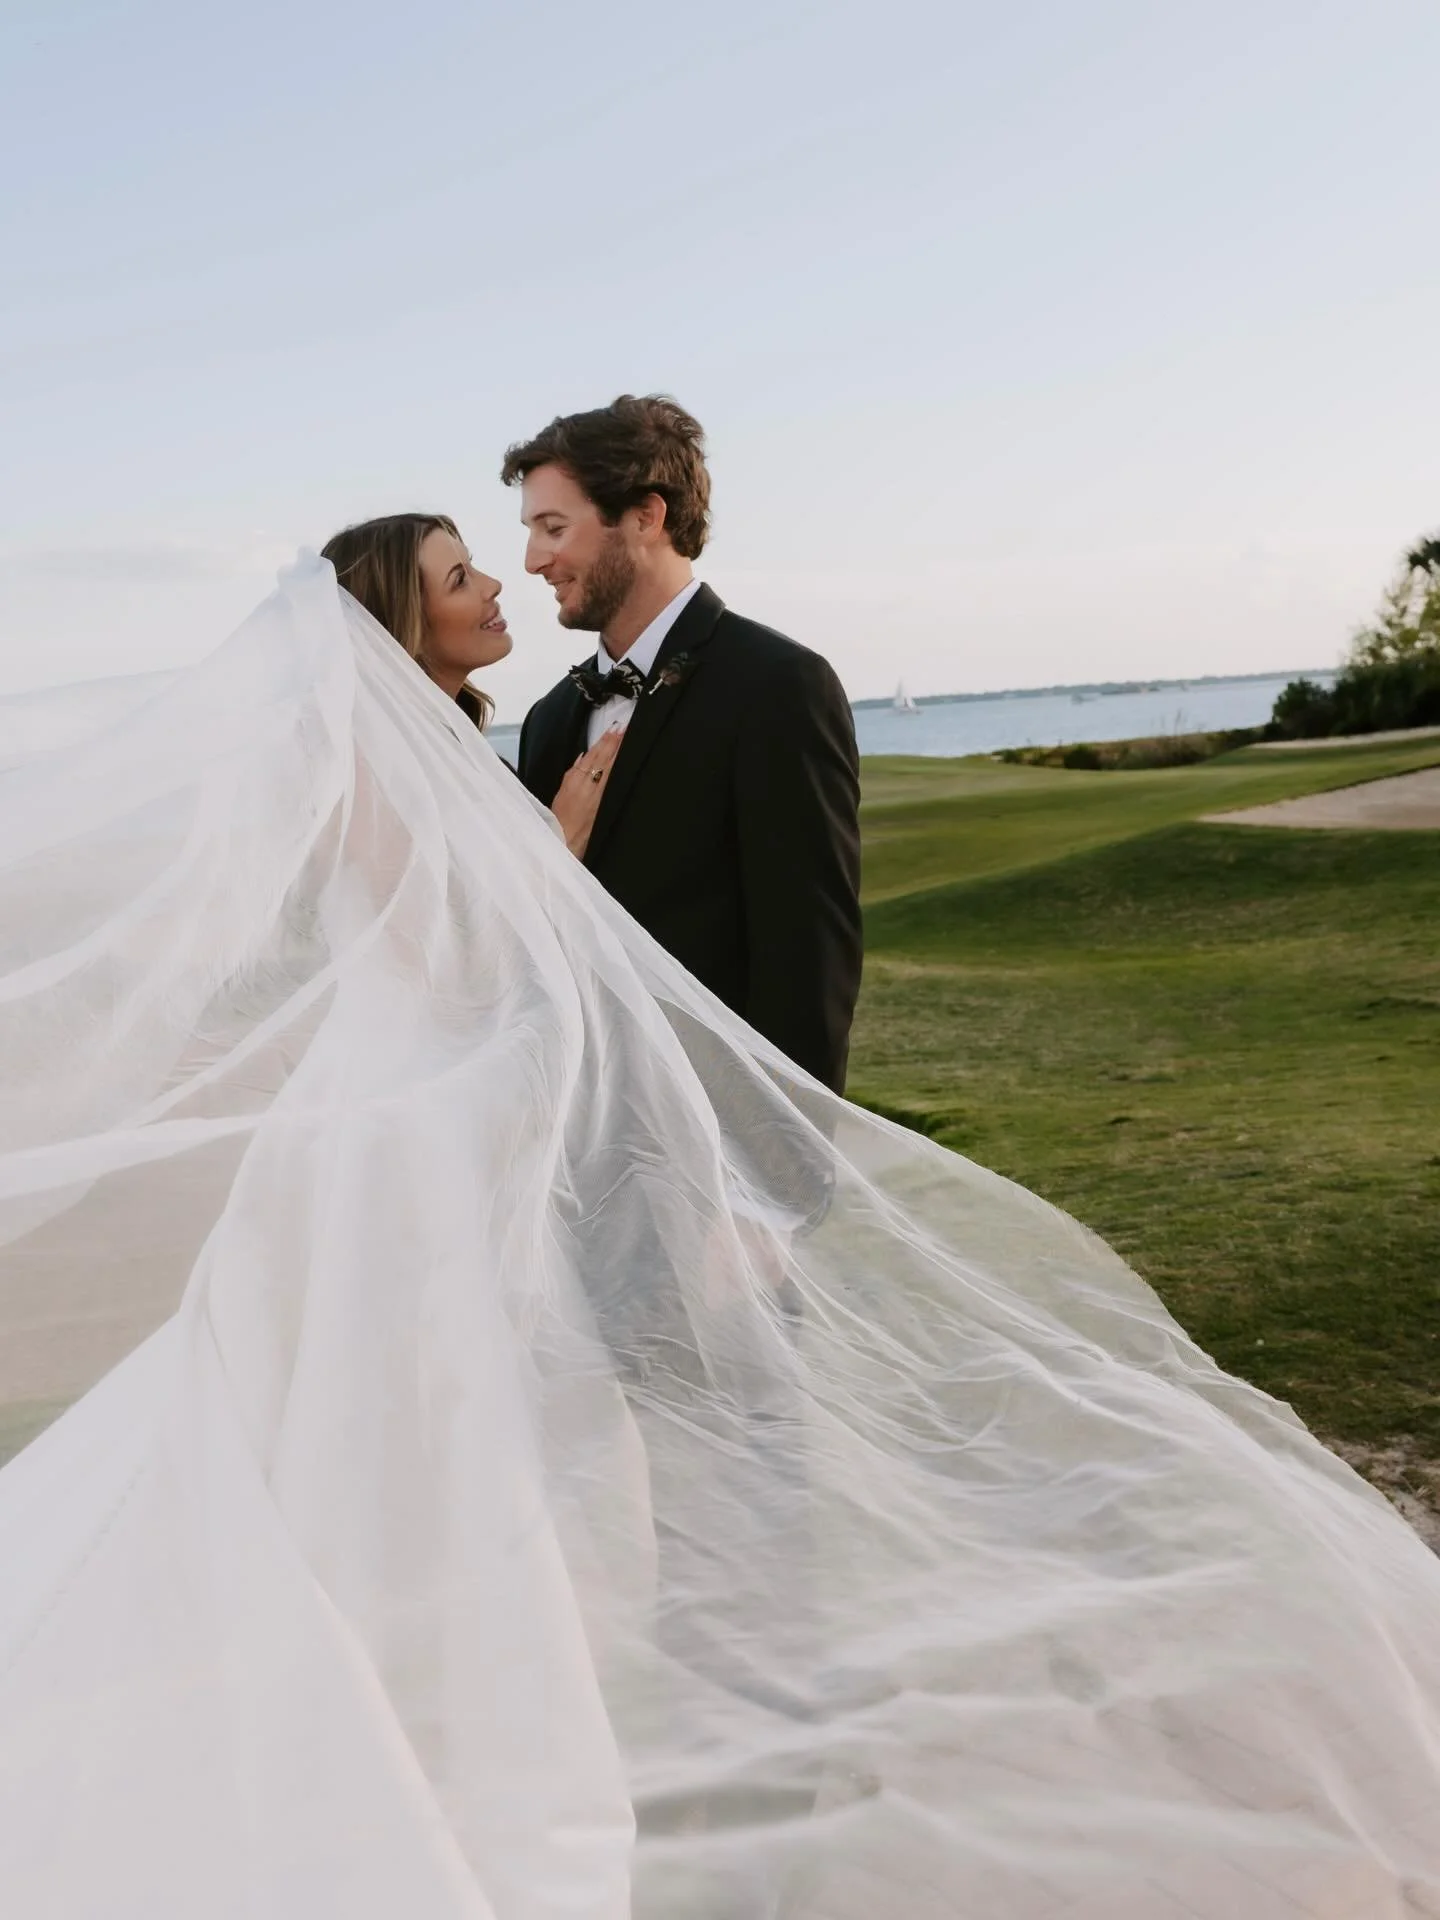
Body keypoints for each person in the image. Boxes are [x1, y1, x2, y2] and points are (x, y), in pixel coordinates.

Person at [2, 551, 1440, 1920]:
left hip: (496, 1169)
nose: (507, 576)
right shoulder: (454, 754)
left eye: (532, 539)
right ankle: (406, 1774)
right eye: (465, 571)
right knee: (422, 1473)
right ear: (398, 621)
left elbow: (795, 948)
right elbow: (446, 969)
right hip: (420, 1169)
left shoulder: (586, 714)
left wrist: (755, 1176)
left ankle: (534, 1740)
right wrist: (549, 848)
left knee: (464, 1472)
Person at [506, 396, 862, 1095]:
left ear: (645, 516)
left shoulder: (778, 685)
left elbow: (807, 954)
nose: (531, 561)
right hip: (580, 1137)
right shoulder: (548, 720)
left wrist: (786, 1170)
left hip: (727, 1137)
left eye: (553, 527)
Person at [321, 511, 623, 857]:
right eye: (460, 580)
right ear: (407, 627)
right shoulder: (379, 791)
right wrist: (564, 840)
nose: (493, 584)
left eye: (473, 567)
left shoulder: (468, 760)